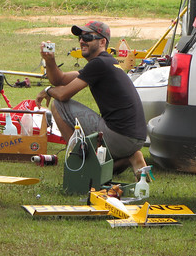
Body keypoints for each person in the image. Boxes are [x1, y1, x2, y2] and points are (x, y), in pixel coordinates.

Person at [35, 21, 148, 178]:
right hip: (134, 137)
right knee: (101, 170)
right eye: (81, 37)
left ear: (102, 42)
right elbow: (59, 80)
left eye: (88, 37)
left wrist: (47, 91)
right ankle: (130, 157)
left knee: (58, 105)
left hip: (119, 136)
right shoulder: (105, 62)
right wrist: (49, 60)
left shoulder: (99, 64)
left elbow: (63, 94)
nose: (82, 41)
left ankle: (77, 160)